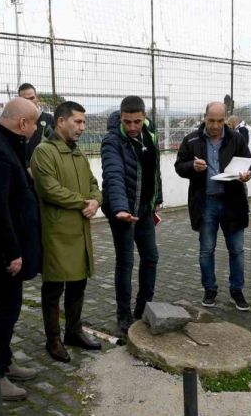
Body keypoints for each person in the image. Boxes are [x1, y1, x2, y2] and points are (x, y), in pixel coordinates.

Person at [0, 97, 42, 401]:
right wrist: (11, 252)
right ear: (23, 123)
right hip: (3, 253)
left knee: (9, 309)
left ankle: (6, 361)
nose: (38, 129)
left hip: (8, 247)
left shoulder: (4, 143)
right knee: (7, 310)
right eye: (36, 123)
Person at [31, 101, 103, 362]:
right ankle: (53, 339)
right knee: (53, 288)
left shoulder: (78, 153)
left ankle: (74, 331)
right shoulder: (44, 152)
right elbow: (49, 189)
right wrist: (84, 202)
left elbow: (94, 183)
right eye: (78, 122)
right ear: (61, 121)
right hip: (56, 233)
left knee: (78, 283)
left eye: (83, 122)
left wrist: (97, 200)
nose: (82, 127)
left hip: (80, 231)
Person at [174, 101, 251, 310]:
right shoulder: (191, 139)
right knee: (206, 250)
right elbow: (179, 166)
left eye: (220, 121)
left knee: (237, 250)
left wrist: (247, 175)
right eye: (212, 121)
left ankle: (237, 291)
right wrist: (192, 166)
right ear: (204, 117)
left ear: (225, 119)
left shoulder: (236, 138)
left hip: (232, 202)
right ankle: (210, 289)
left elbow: (249, 163)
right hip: (206, 203)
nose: (216, 126)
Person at [101, 96, 163, 333]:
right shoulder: (112, 141)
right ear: (121, 117)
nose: (132, 127)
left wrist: (157, 198)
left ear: (144, 117)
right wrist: (120, 208)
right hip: (122, 213)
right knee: (125, 262)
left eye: (137, 121)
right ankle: (123, 313)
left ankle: (143, 307)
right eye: (127, 122)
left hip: (144, 209)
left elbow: (153, 169)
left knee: (151, 257)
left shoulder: (150, 134)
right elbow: (113, 175)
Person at [18, 82, 55, 162]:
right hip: (22, 169)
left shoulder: (48, 119)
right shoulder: (16, 121)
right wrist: (27, 166)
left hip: (45, 167)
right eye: (25, 99)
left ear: (37, 97)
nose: (29, 102)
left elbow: (55, 143)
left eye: (32, 98)